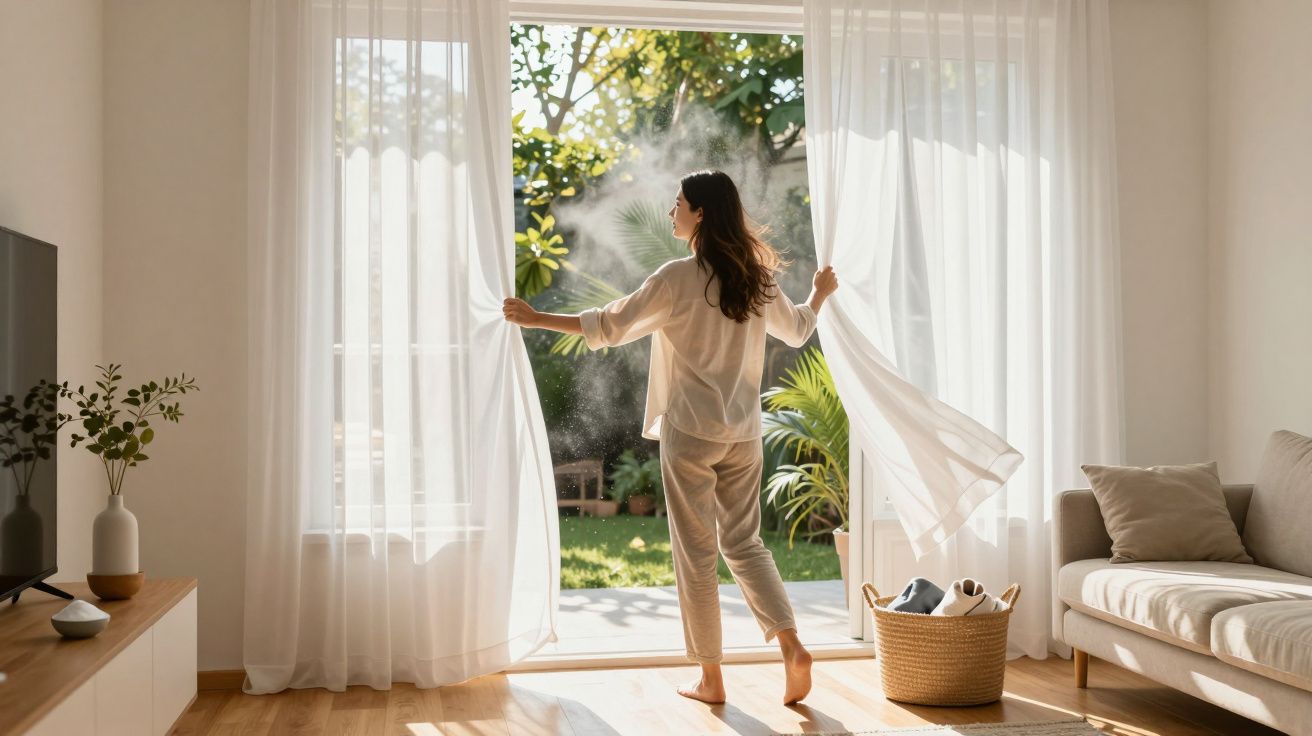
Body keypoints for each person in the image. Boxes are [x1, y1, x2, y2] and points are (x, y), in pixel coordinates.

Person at [503, 169, 839, 705]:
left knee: (697, 554)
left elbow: (610, 326)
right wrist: (818, 294)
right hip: (744, 435)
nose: (670, 211)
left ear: (700, 213)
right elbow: (798, 330)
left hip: (691, 433)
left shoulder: (676, 278)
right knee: (746, 543)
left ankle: (711, 678)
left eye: (678, 202)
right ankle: (792, 645)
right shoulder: (757, 278)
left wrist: (536, 316)